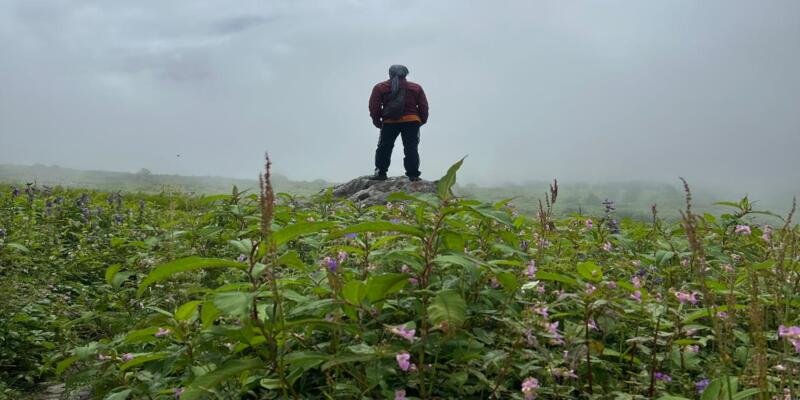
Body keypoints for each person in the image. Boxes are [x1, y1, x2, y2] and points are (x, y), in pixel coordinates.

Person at [368, 65, 429, 181]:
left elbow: (374, 107)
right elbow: (423, 107)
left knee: (384, 147)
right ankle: (413, 175)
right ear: (406, 74)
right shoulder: (416, 87)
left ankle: (380, 173)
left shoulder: (380, 87)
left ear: (390, 74)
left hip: (389, 122)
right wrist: (422, 120)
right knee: (411, 148)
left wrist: (378, 122)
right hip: (412, 121)